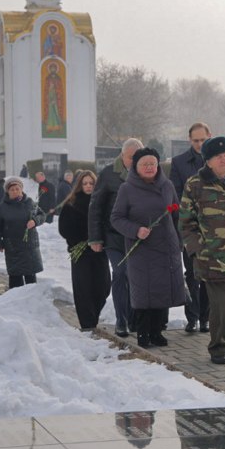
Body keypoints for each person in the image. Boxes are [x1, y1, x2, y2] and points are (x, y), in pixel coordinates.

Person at [179, 135, 225, 364]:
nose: (224, 160)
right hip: (211, 257)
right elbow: (186, 222)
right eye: (219, 156)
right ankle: (217, 348)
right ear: (208, 161)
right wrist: (197, 250)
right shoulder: (195, 184)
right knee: (219, 306)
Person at [111, 147, 186, 347]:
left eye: (153, 163)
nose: (149, 167)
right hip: (142, 248)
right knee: (144, 291)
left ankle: (157, 331)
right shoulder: (127, 189)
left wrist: (179, 241)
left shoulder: (167, 185)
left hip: (166, 247)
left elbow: (177, 215)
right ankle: (143, 332)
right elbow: (116, 218)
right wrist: (136, 230)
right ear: (135, 167)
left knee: (163, 290)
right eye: (144, 164)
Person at [89, 138, 143, 337]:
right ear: (122, 155)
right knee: (120, 273)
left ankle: (134, 318)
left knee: (135, 277)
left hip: (137, 237)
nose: (134, 161)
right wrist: (95, 238)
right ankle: (122, 320)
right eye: (131, 157)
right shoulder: (108, 173)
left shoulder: (145, 172)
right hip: (113, 236)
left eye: (137, 157)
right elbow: (96, 206)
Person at [170, 121, 212, 333]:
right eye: (195, 140)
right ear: (190, 140)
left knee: (209, 274)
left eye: (203, 140)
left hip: (213, 227)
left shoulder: (218, 159)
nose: (199, 144)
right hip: (189, 227)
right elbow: (175, 194)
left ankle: (206, 317)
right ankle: (192, 317)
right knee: (192, 273)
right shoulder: (179, 163)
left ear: (209, 137)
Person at [58, 170, 110, 331]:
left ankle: (94, 317)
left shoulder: (102, 202)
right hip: (80, 251)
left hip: (99, 250)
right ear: (79, 185)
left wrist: (100, 239)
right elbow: (63, 228)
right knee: (83, 288)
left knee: (103, 287)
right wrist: (82, 239)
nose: (88, 186)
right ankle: (87, 324)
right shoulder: (71, 203)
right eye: (85, 183)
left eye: (91, 183)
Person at [0, 178, 44, 288]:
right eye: (12, 189)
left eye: (17, 189)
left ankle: (31, 297)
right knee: (15, 278)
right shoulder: (3, 206)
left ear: (21, 189)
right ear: (8, 191)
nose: (15, 191)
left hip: (29, 246)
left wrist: (35, 221)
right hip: (13, 247)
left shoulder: (29, 202)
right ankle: (15, 298)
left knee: (30, 278)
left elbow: (42, 215)